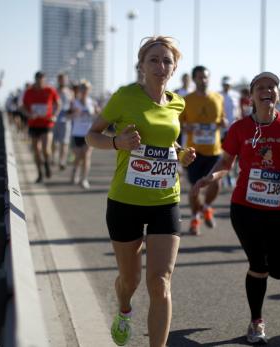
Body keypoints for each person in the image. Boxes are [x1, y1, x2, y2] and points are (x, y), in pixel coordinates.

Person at [85, 36, 195, 347]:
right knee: (130, 280)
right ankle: (123, 309)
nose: (161, 66)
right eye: (154, 60)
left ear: (174, 68)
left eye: (167, 61)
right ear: (142, 66)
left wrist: (181, 153)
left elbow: (166, 143)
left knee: (160, 283)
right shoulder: (124, 97)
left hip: (165, 200)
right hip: (125, 201)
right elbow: (92, 136)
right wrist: (117, 143)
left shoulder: (178, 102)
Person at [192, 71, 280, 344]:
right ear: (252, 96)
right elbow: (225, 164)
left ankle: (267, 273)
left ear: (278, 94)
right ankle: (256, 321)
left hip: (279, 207)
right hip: (245, 207)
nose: (267, 91)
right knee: (259, 264)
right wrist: (211, 177)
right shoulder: (240, 128)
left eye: (272, 87)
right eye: (261, 87)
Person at [180, 65, 226, 235]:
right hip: (194, 152)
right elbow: (179, 124)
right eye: (200, 77)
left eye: (206, 77)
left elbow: (222, 120)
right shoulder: (187, 100)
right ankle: (195, 218)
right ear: (194, 79)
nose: (203, 80)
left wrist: (224, 123)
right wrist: (187, 127)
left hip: (214, 150)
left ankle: (206, 207)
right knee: (195, 189)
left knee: (217, 182)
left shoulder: (217, 98)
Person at [22, 71, 61, 183]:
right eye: (38, 80)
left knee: (46, 149)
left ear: (45, 80)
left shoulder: (50, 90)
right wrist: (28, 114)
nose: (40, 83)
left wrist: (54, 115)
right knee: (36, 151)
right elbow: (22, 107)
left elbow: (58, 104)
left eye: (42, 81)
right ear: (35, 80)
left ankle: (47, 164)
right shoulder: (28, 92)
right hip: (34, 124)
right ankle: (40, 174)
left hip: (47, 123)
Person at [70, 80, 99, 190]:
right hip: (77, 133)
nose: (85, 91)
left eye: (87, 89)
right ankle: (75, 172)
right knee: (78, 156)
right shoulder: (75, 102)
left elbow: (98, 114)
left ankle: (84, 179)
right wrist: (75, 113)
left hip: (88, 133)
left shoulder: (92, 102)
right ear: (80, 90)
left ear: (89, 90)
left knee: (86, 155)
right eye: (83, 88)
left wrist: (97, 111)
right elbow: (69, 116)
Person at [52, 73, 74, 170]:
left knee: (64, 142)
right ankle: (54, 157)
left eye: (64, 79)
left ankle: (62, 161)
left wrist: (71, 114)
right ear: (58, 80)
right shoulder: (54, 91)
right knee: (54, 142)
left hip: (66, 119)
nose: (62, 81)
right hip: (54, 119)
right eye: (60, 79)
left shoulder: (70, 92)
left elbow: (73, 105)